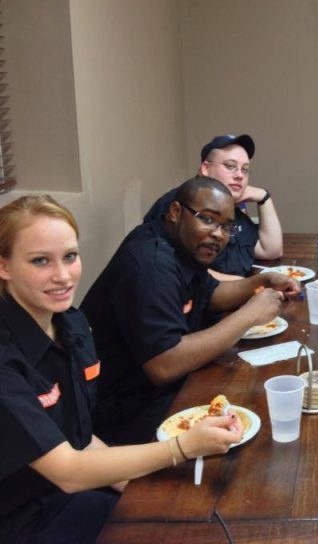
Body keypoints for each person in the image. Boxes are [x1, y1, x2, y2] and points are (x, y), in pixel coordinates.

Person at [0, 195, 242, 544]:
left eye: (70, 256)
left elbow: (82, 440)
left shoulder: (71, 325)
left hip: (75, 494)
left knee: (199, 515)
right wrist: (182, 447)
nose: (63, 276)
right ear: (4, 266)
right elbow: (67, 470)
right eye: (40, 261)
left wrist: (145, 492)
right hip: (25, 521)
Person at [82, 176, 301, 446]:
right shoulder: (150, 264)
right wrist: (249, 316)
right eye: (207, 219)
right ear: (175, 212)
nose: (218, 234)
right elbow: (164, 364)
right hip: (125, 414)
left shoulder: (182, 246)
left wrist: (261, 281)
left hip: (162, 391)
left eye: (226, 226)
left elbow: (208, 295)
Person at [145, 134, 282, 278]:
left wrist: (264, 197)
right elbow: (171, 266)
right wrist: (245, 285)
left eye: (245, 169)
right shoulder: (179, 204)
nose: (240, 175)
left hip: (241, 292)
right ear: (205, 168)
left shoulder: (231, 208)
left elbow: (270, 251)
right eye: (230, 166)